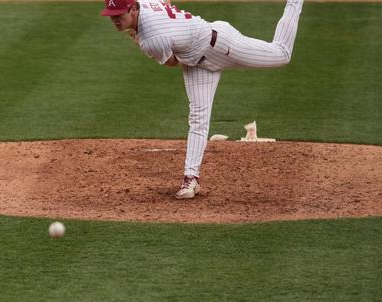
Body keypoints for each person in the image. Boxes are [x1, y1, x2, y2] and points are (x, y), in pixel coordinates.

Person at [101, 0, 303, 198]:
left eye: (119, 15)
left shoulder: (151, 40)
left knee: (281, 54)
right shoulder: (146, 3)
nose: (115, 20)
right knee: (198, 119)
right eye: (112, 16)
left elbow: (171, 62)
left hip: (220, 45)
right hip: (196, 63)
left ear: (133, 8)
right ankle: (190, 179)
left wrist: (142, 37)